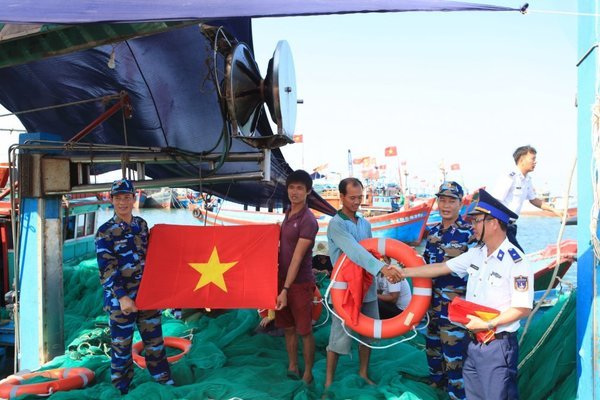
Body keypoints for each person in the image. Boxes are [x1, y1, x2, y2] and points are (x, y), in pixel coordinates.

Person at [400, 189, 533, 400]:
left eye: (477, 220)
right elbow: (441, 268)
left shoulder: (516, 261)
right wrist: (402, 272)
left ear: (493, 223)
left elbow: (523, 308)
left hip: (497, 344)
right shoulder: (477, 254)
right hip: (472, 342)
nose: (472, 225)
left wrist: (488, 324)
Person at [95, 179, 173, 395]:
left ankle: (164, 384)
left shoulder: (142, 225)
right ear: (111, 200)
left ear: (133, 198)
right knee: (121, 349)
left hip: (147, 297)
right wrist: (122, 297)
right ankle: (122, 390)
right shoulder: (105, 232)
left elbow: (154, 257)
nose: (123, 202)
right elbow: (107, 269)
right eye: (118, 198)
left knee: (155, 344)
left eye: (127, 197)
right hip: (121, 302)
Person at [324, 177, 403, 390]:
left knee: (367, 335)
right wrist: (382, 269)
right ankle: (329, 382)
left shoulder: (366, 223)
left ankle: (363, 372)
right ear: (341, 197)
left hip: (366, 287)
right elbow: (355, 251)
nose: (357, 202)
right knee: (337, 338)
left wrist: (383, 263)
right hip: (345, 290)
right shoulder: (336, 225)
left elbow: (370, 249)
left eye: (360, 197)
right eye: (352, 198)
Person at [423, 181, 475, 400]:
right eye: (442, 200)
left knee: (455, 359)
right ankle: (436, 386)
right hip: (431, 306)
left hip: (455, 309)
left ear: (460, 203)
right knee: (433, 351)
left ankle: (458, 396)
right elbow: (425, 267)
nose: (445, 205)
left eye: (451, 201)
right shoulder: (432, 233)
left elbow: (475, 274)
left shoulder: (469, 234)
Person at [274, 170, 319, 384]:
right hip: (282, 280)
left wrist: (285, 289)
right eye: (292, 187)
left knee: (304, 331)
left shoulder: (309, 220)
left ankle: (308, 371)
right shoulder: (288, 212)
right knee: (288, 328)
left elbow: (297, 258)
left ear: (308, 191)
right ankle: (292, 364)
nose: (295, 192)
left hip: (299, 283)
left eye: (300, 188)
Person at [491, 145, 563, 252]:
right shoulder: (510, 177)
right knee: (519, 257)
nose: (535, 162)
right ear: (522, 160)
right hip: (501, 225)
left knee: (510, 259)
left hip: (511, 226)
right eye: (532, 159)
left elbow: (534, 200)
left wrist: (555, 210)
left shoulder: (527, 180)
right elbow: (495, 200)